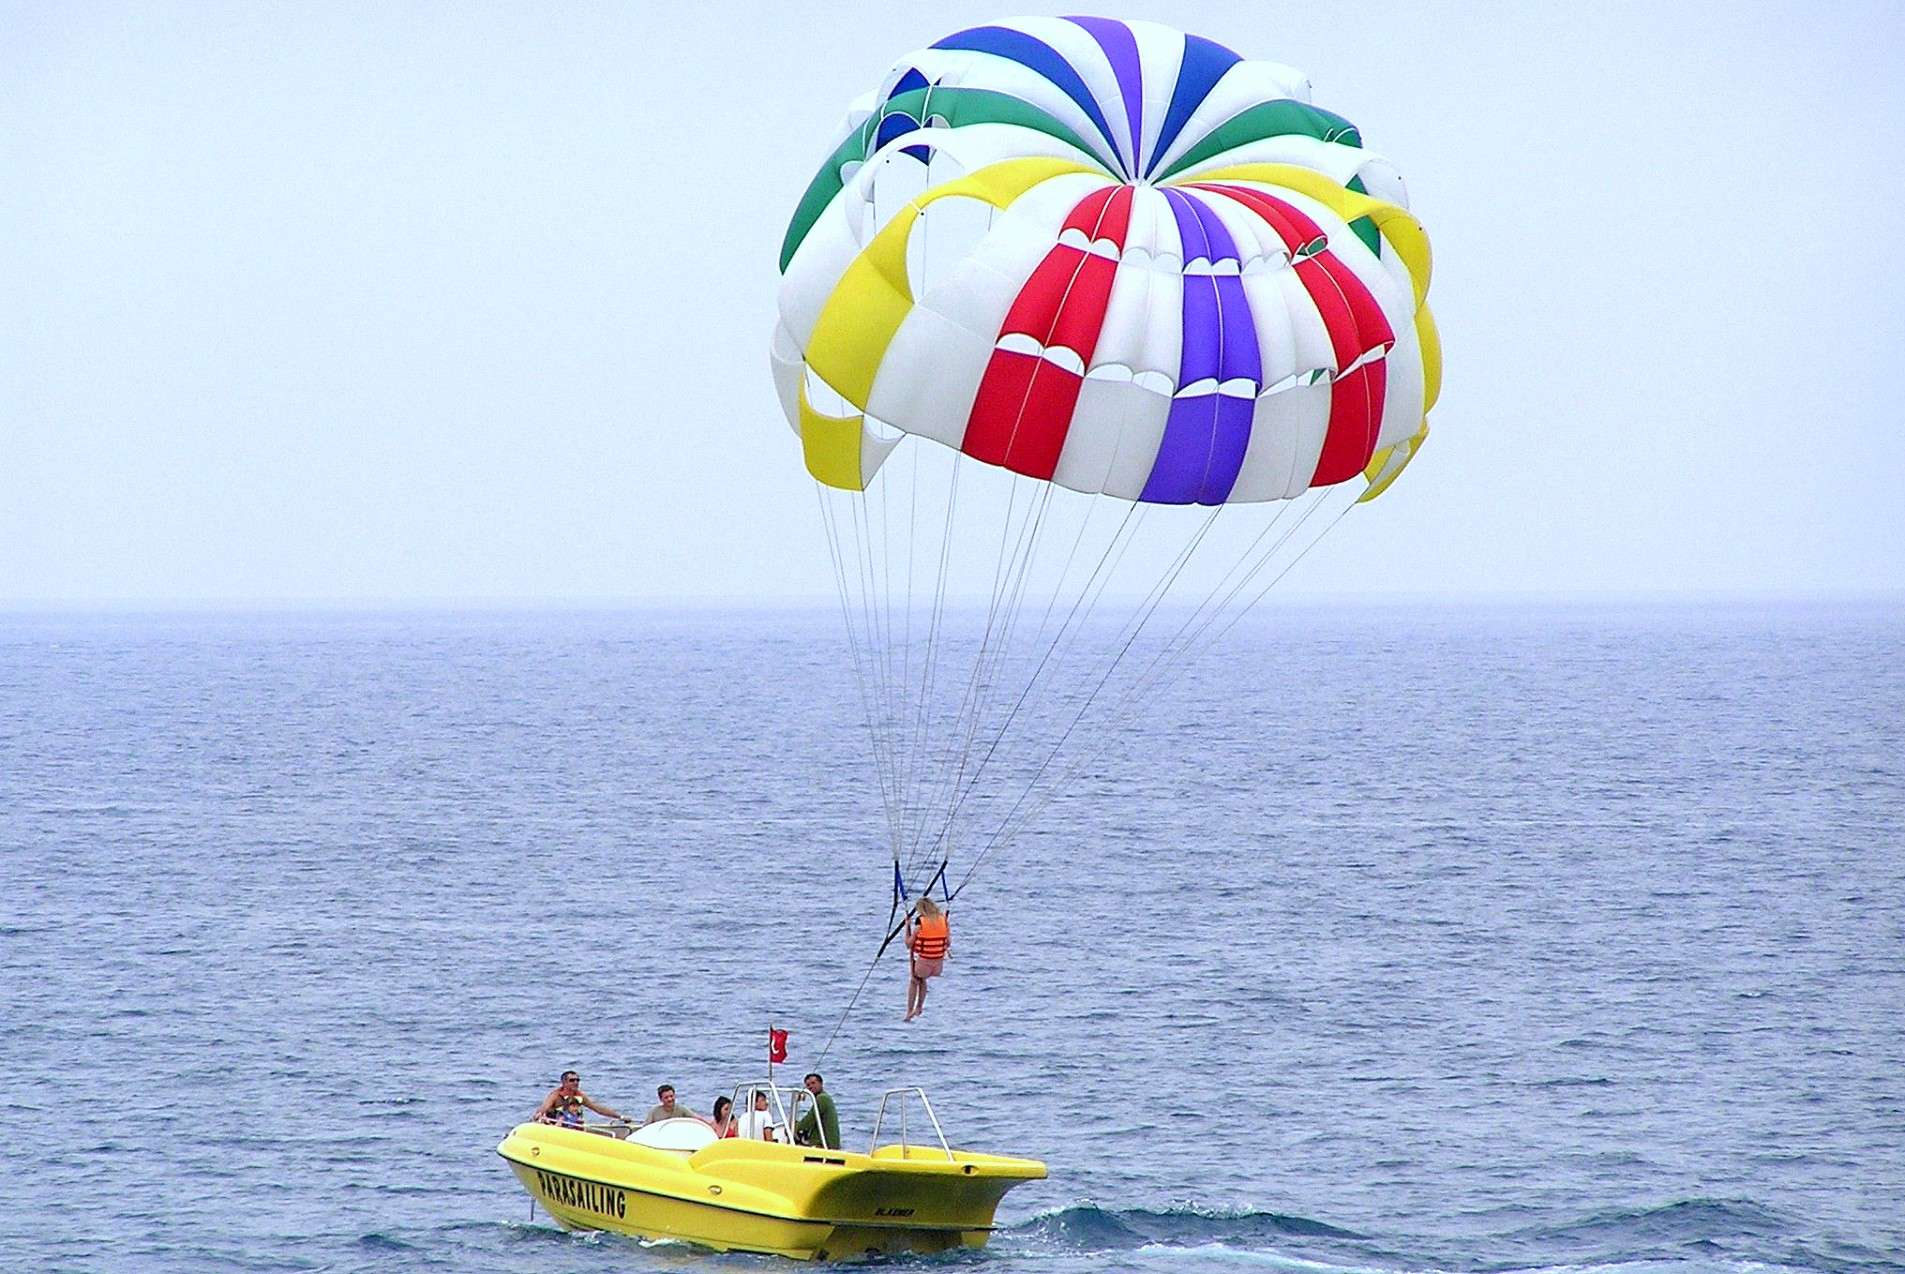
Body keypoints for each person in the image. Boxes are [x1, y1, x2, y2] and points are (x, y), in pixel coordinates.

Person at [904, 896, 950, 1022]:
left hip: (924, 961)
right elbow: (948, 942)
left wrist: (907, 926)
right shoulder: (943, 920)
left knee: (914, 980)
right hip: (938, 965)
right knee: (922, 980)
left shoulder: (920, 922)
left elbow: (908, 944)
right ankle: (919, 1007)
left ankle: (909, 1010)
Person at [531, 1070, 628, 1128]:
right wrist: (538, 1115)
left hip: (574, 1128)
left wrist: (620, 1117)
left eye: (577, 1080)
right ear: (564, 1082)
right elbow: (543, 1108)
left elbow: (598, 1109)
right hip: (558, 1128)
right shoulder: (556, 1095)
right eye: (572, 1080)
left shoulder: (579, 1096)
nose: (575, 1082)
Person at [794, 1072, 840, 1150]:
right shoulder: (823, 1098)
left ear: (821, 1083)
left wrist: (794, 1127)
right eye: (808, 1085)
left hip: (824, 1144)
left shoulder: (822, 1098)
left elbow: (809, 1120)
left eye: (813, 1083)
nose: (811, 1087)